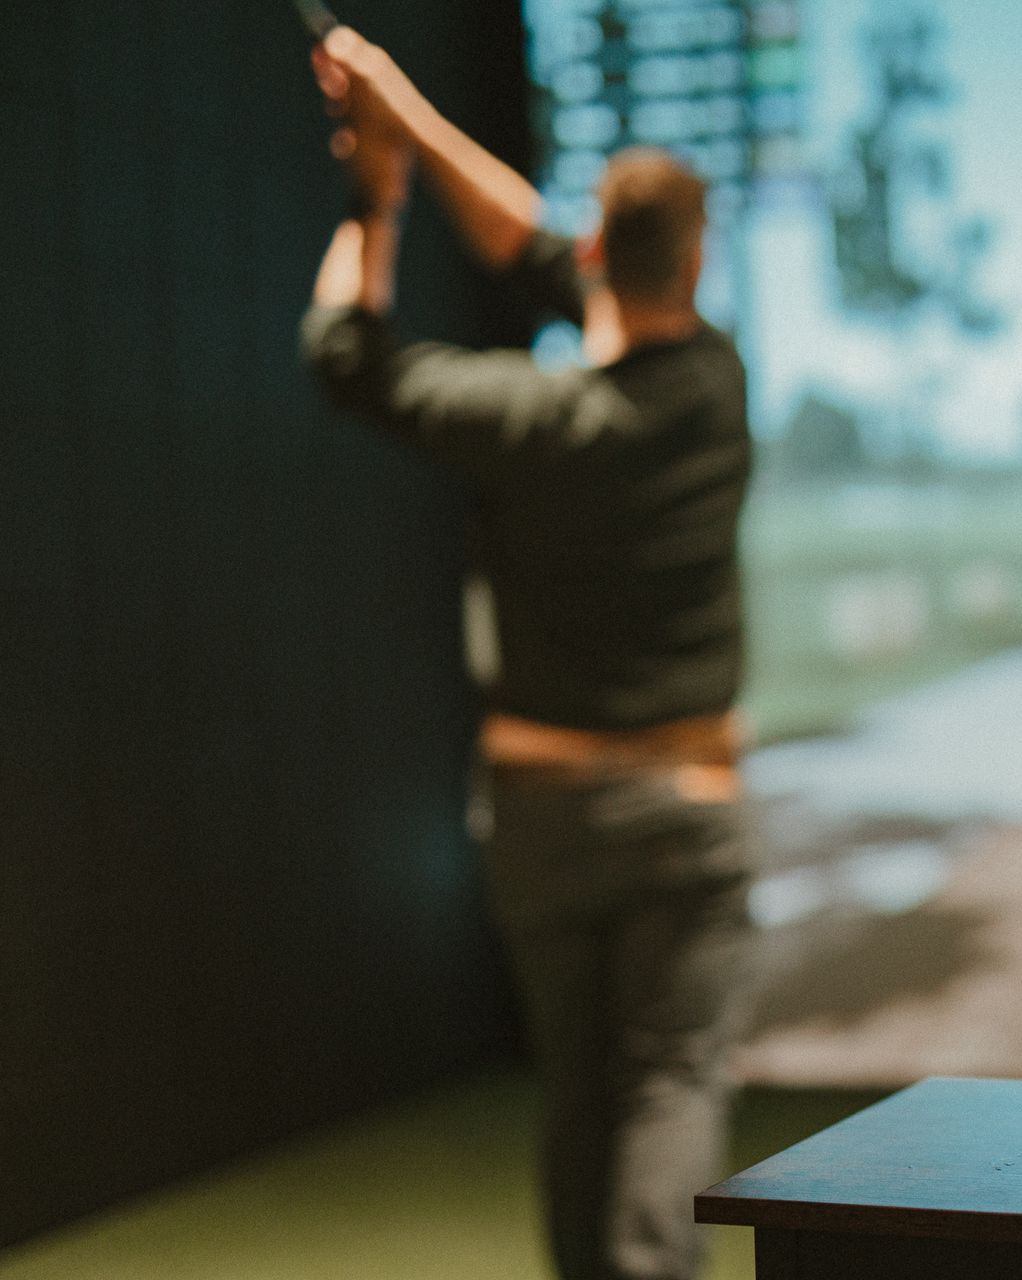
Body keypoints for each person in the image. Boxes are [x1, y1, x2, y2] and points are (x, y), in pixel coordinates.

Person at [301, 27, 756, 1280]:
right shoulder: (714, 383)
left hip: (542, 814)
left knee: (581, 1091)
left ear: (596, 248)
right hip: (686, 804)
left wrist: (377, 191)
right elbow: (532, 245)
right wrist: (403, 114)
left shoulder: (523, 413)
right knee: (668, 1080)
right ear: (696, 261)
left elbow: (345, 352)